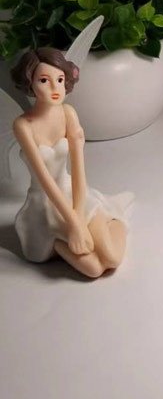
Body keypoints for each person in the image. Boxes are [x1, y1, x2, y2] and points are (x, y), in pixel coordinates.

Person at [10, 47, 133, 278]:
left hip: (74, 193)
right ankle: (56, 241)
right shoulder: (23, 125)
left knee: (112, 258)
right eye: (44, 80)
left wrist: (78, 217)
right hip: (43, 203)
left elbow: (78, 168)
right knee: (93, 269)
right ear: (30, 83)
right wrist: (73, 224)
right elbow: (44, 178)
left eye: (60, 80)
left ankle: (114, 220)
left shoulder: (68, 113)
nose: (55, 88)